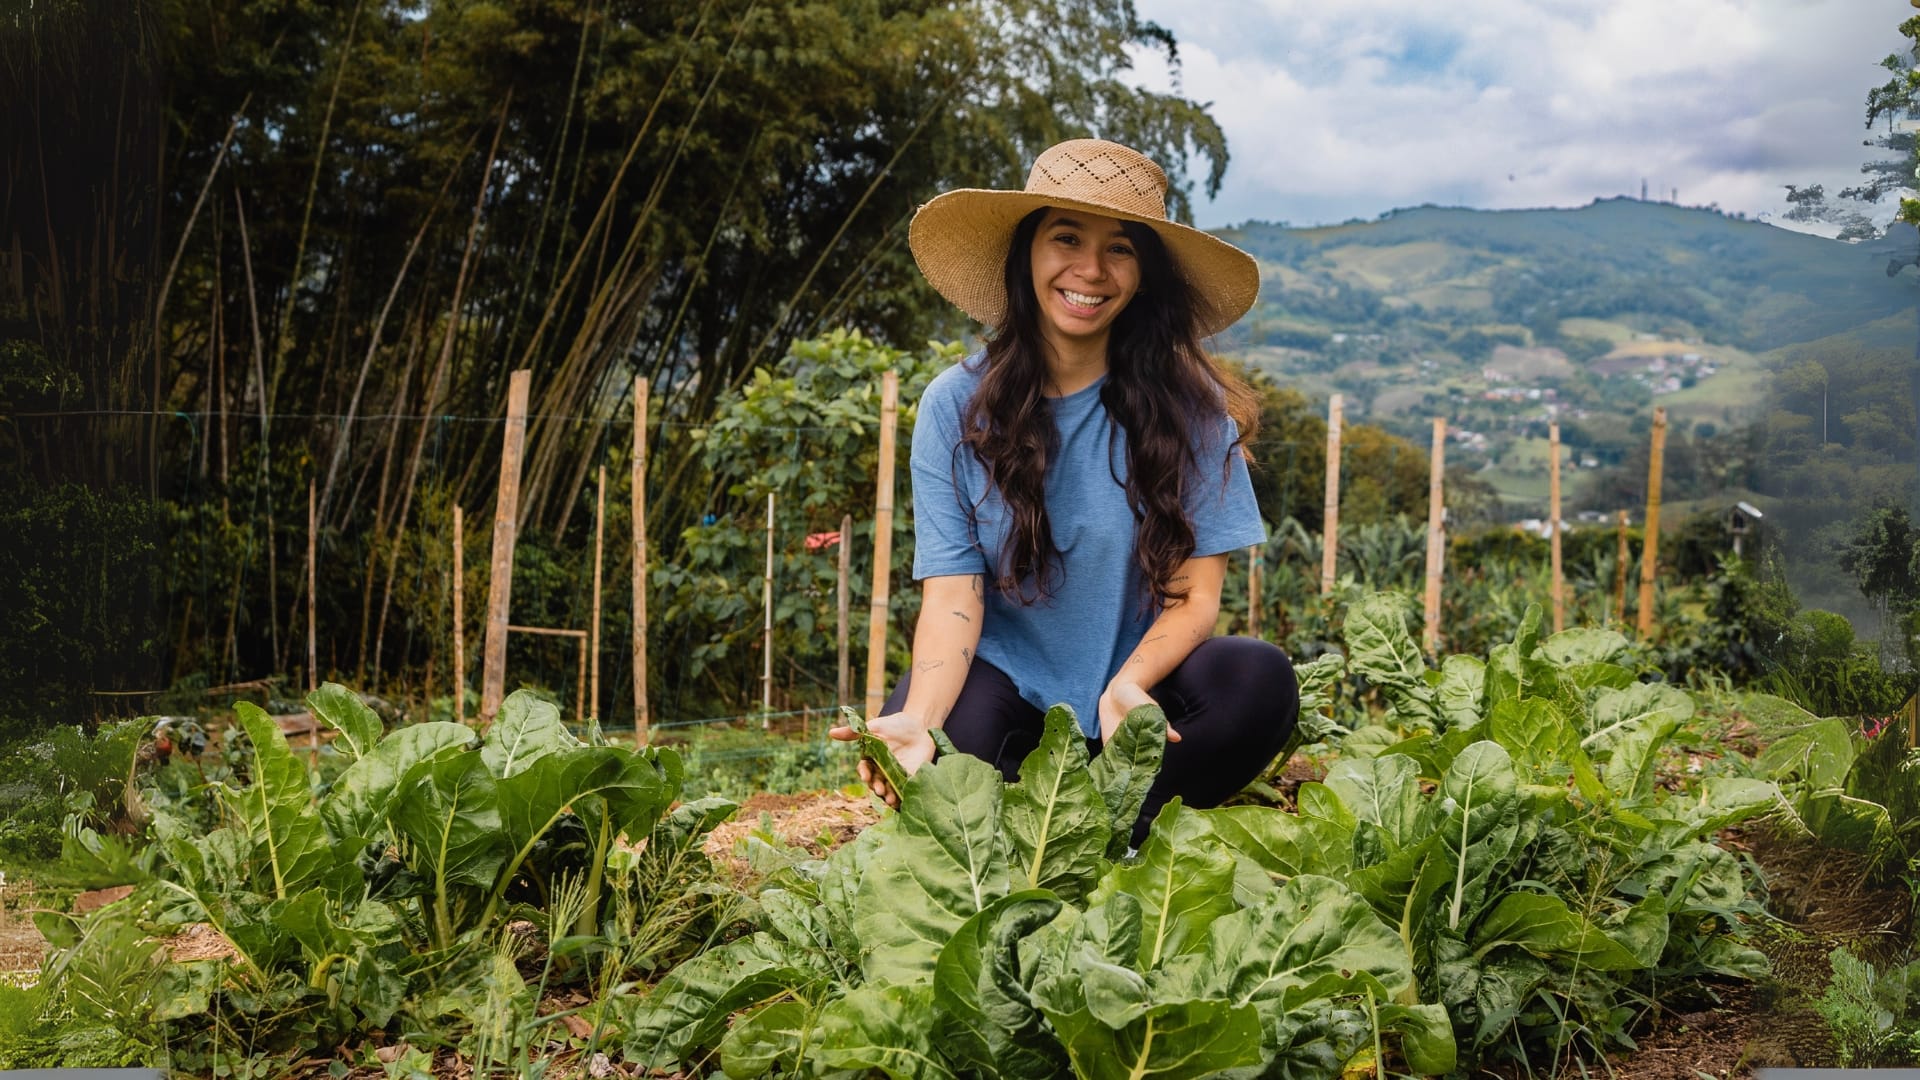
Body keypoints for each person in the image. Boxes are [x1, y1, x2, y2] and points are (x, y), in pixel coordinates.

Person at [828, 139, 1299, 843]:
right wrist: (919, 722)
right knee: (941, 754)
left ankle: (1107, 830)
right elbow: (955, 596)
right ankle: (1089, 827)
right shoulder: (953, 407)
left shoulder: (1192, 410)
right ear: (1026, 253)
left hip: (1138, 702)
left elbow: (1194, 597)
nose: (1091, 270)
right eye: (1067, 238)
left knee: (1259, 682)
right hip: (1009, 688)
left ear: (1145, 275)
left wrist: (1128, 685)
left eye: (1121, 249)